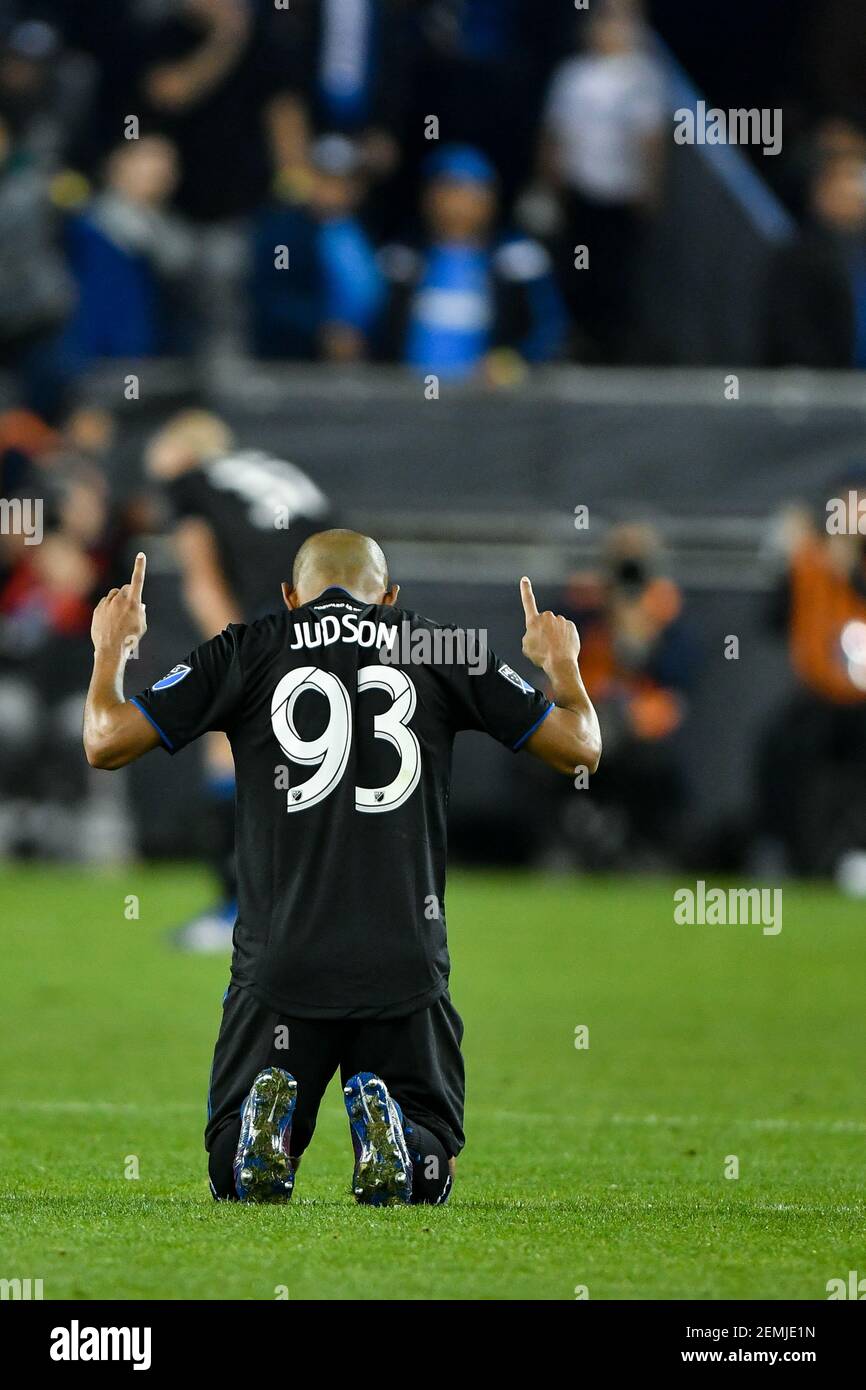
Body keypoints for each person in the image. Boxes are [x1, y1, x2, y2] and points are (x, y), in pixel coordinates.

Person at [82, 531, 601, 1205]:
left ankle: (260, 1142)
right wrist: (561, 666)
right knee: (430, 1157)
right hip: (402, 963)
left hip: (281, 964)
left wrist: (110, 651)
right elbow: (581, 748)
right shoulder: (436, 645)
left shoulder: (248, 645)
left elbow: (105, 741)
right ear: (388, 598)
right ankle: (402, 1141)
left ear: (291, 597)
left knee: (227, 1166)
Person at [146, 409, 333, 950]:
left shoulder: (191, 482)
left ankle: (237, 910)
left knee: (227, 745)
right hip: (350, 610)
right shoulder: (268, 470)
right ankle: (319, 910)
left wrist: (232, 664)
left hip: (279, 620)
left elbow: (202, 585)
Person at [380, 143, 566, 382]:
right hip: (404, 398)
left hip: (489, 402)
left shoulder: (518, 259)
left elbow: (549, 329)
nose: (459, 204)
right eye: (448, 190)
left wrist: (512, 363)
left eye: (471, 192)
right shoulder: (400, 258)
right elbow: (375, 326)